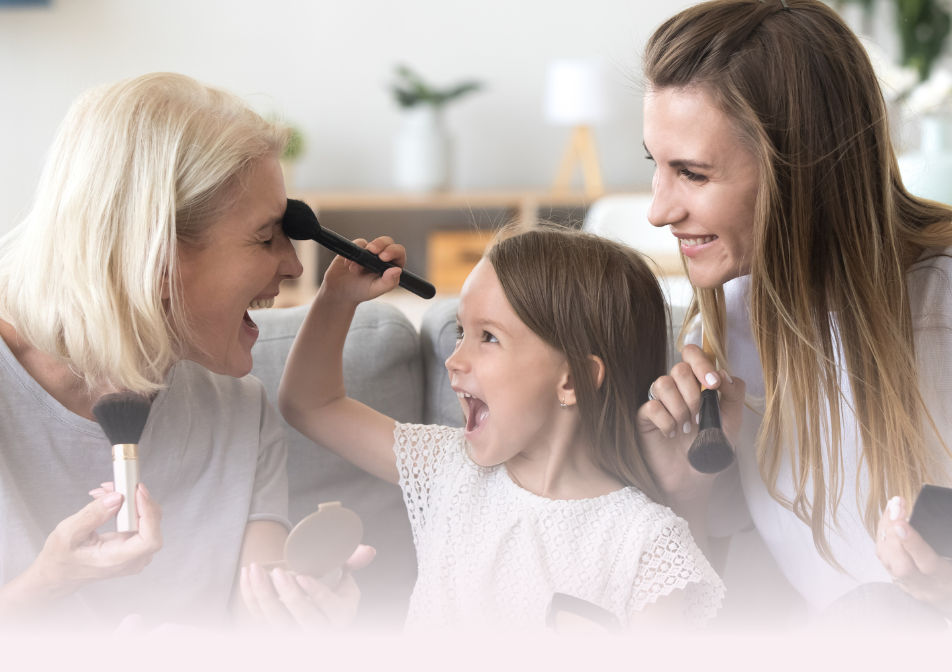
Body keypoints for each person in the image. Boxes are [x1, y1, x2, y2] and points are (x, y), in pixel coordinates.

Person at [635, 0, 952, 629]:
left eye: (693, 174)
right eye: (655, 165)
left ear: (802, 169)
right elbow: (711, 622)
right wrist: (685, 491)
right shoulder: (728, 333)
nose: (659, 210)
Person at [0, 72, 371, 632]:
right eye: (265, 236)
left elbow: (258, 622)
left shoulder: (241, 411)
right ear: (154, 258)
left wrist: (306, 612)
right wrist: (50, 580)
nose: (294, 266)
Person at [274, 224, 725, 631]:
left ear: (574, 380)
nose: (454, 360)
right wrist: (335, 299)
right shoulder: (447, 468)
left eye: (488, 337)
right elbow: (310, 405)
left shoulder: (646, 542)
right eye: (460, 332)